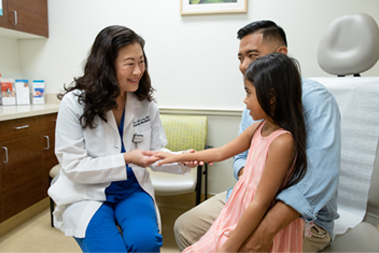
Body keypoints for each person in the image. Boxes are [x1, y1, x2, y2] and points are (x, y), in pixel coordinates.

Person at [174, 20, 341, 252]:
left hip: (298, 216)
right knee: (186, 227)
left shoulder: (316, 100)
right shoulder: (255, 105)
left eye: (253, 55)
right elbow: (239, 156)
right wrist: (255, 179)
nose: (244, 66)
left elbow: (318, 177)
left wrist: (264, 230)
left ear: (280, 55)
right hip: (251, 196)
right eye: (240, 58)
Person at [48, 25, 195, 252]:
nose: (138, 71)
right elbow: (73, 166)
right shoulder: (74, 103)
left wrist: (181, 160)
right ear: (106, 66)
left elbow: (155, 151)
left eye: (141, 61)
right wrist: (126, 158)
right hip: (87, 193)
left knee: (145, 243)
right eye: (130, 64)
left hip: (132, 189)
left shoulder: (146, 105)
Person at [155, 52, 307, 252]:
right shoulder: (259, 127)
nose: (245, 101)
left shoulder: (282, 142)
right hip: (238, 209)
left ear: (271, 97)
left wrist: (228, 248)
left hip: (253, 216)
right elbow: (221, 153)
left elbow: (260, 203)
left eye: (249, 93)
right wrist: (178, 157)